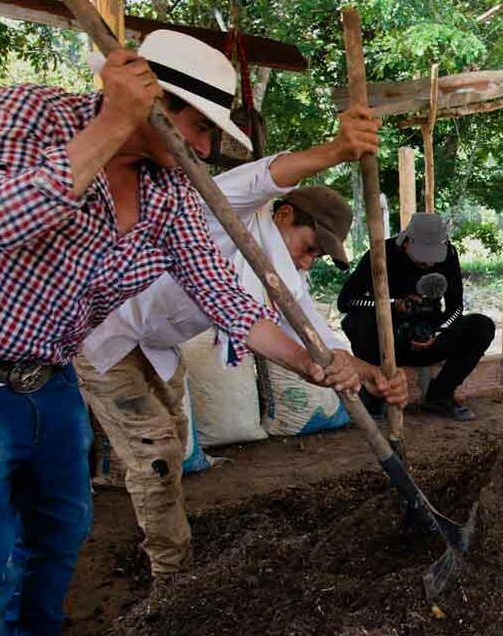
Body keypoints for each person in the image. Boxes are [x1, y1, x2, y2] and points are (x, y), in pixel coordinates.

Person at [0, 31, 361, 636]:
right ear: (145, 97)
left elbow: (226, 299)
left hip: (55, 377)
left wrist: (311, 361)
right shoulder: (25, 114)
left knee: (61, 530)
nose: (206, 148)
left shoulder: (171, 193)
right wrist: (110, 125)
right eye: (195, 127)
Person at [77, 110, 409, 582]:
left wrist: (375, 376)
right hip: (109, 333)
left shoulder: (286, 281)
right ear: (285, 213)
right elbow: (266, 174)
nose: (310, 260)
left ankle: (171, 540)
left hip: (158, 347)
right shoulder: (230, 209)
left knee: (171, 443)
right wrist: (336, 151)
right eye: (311, 245)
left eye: (318, 256)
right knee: (157, 453)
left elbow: (318, 341)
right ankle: (171, 574)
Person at [338, 213, 496, 421]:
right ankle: (375, 393)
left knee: (481, 326)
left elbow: (456, 308)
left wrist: (437, 332)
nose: (429, 263)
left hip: (430, 336)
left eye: (433, 257)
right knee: (356, 322)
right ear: (405, 242)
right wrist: (393, 305)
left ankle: (440, 395)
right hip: (389, 341)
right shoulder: (381, 253)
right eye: (422, 257)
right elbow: (347, 301)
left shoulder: (449, 255)